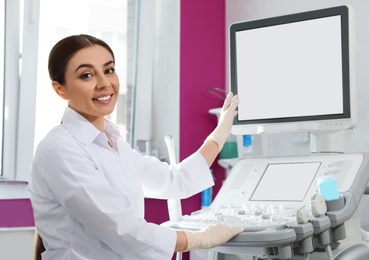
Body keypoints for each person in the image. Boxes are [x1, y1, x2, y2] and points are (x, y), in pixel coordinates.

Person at [28, 34, 242, 260]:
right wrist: (201, 239)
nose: (104, 83)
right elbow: (124, 232)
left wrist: (219, 135)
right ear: (60, 89)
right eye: (87, 75)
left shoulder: (113, 144)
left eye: (109, 70)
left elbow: (173, 180)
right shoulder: (60, 149)